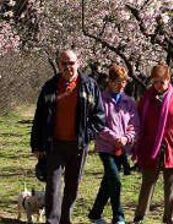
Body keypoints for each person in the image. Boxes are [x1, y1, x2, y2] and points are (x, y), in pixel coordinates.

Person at [30, 49, 105, 224]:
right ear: (58, 65)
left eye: (71, 63)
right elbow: (39, 117)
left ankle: (66, 220)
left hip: (78, 145)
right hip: (54, 143)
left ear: (78, 63)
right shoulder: (49, 87)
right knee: (53, 185)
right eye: (64, 63)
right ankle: (52, 221)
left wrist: (87, 135)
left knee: (73, 184)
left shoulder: (90, 85)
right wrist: (36, 145)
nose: (68, 67)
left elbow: (100, 117)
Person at [132, 63, 173, 224]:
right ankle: (139, 217)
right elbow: (138, 122)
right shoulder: (147, 98)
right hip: (150, 148)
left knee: (172, 188)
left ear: (169, 79)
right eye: (155, 82)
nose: (158, 86)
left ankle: (169, 219)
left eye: (162, 82)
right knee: (147, 185)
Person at [88, 65, 140, 224]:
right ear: (109, 81)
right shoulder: (100, 100)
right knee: (115, 180)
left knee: (109, 180)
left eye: (124, 82)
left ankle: (95, 214)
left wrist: (127, 138)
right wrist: (114, 138)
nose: (121, 85)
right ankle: (118, 216)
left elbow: (134, 124)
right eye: (118, 81)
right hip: (106, 147)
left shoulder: (129, 102)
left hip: (123, 147)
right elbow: (98, 124)